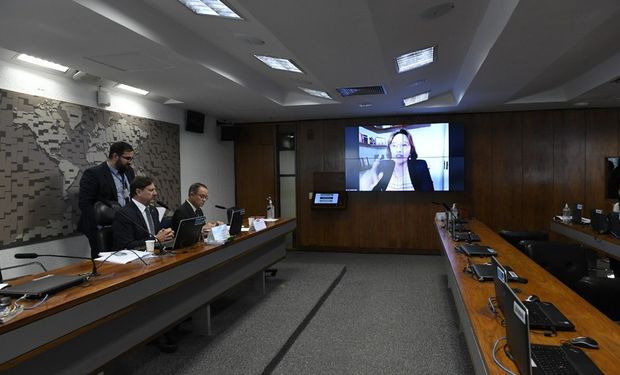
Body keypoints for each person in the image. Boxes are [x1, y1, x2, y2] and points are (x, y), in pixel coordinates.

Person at [78, 141, 136, 258]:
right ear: (115, 156)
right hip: (102, 227)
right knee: (105, 263)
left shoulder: (129, 171)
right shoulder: (93, 174)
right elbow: (85, 203)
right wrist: (98, 226)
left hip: (124, 224)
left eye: (131, 158)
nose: (130, 162)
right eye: (127, 158)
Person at [359, 128, 434, 191]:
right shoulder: (384, 166)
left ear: (411, 149)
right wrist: (373, 170)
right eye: (394, 145)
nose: (399, 150)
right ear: (390, 149)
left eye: (404, 145)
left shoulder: (420, 166)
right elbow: (368, 188)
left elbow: (429, 197)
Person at [112, 176, 174, 251]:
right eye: (151, 190)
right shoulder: (124, 214)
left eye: (154, 190)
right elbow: (127, 245)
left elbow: (157, 234)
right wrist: (156, 239)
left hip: (155, 254)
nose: (155, 193)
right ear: (138, 192)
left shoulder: (153, 210)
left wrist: (166, 235)